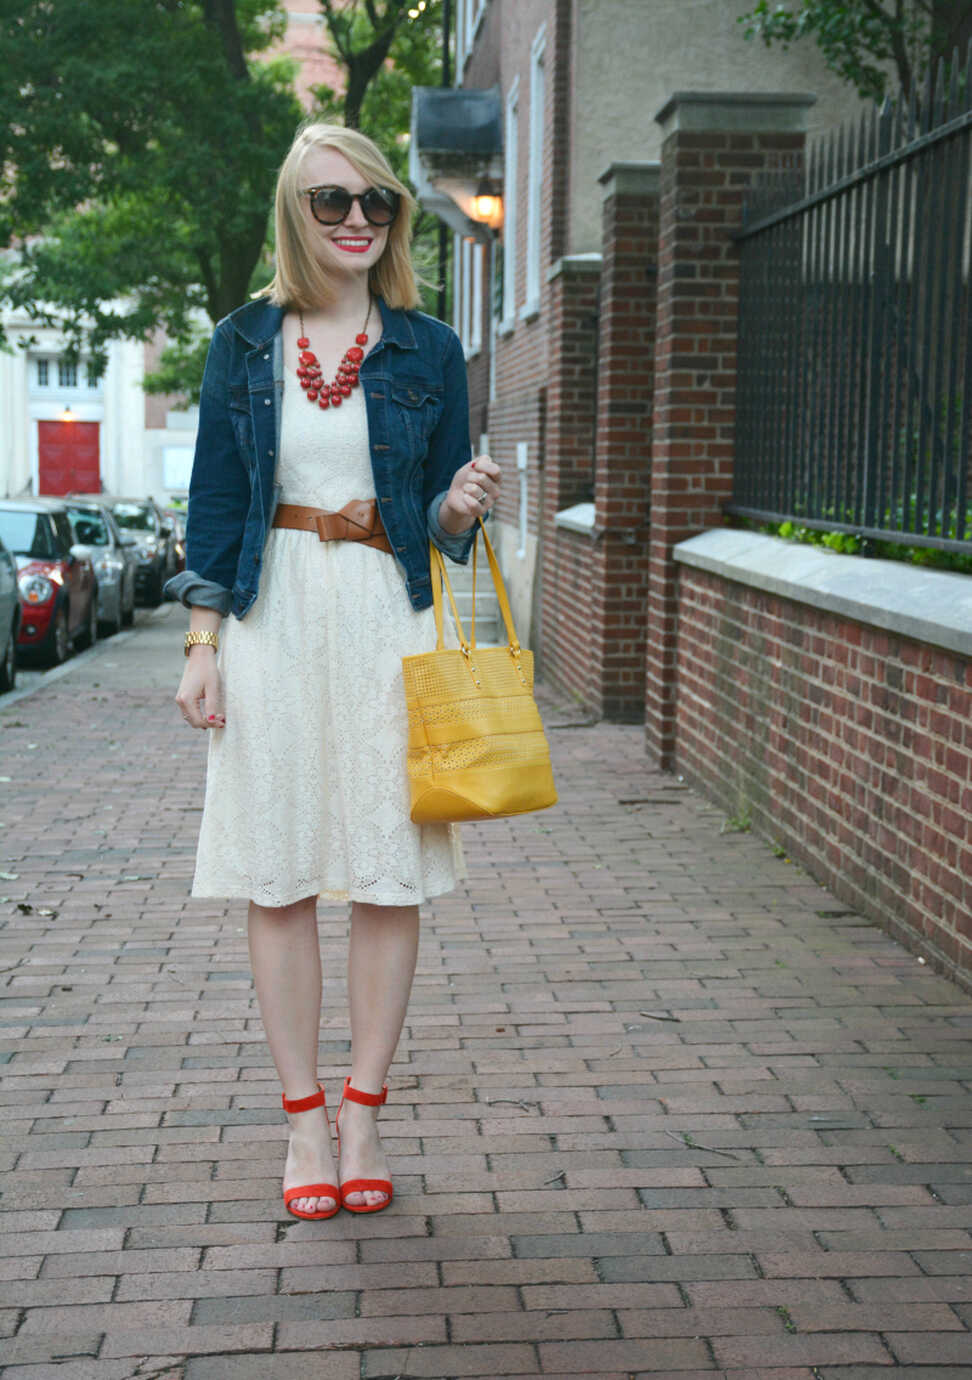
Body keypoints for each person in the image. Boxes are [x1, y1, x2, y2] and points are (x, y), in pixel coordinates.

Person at [167, 121, 500, 1220]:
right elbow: (216, 506)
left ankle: (364, 1109)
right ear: (293, 215)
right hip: (272, 622)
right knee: (280, 873)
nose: (358, 220)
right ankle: (303, 1121)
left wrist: (453, 508)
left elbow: (441, 518)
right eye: (331, 202)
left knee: (387, 870)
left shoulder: (429, 348)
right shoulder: (241, 345)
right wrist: (203, 645)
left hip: (382, 623)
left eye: (377, 202)